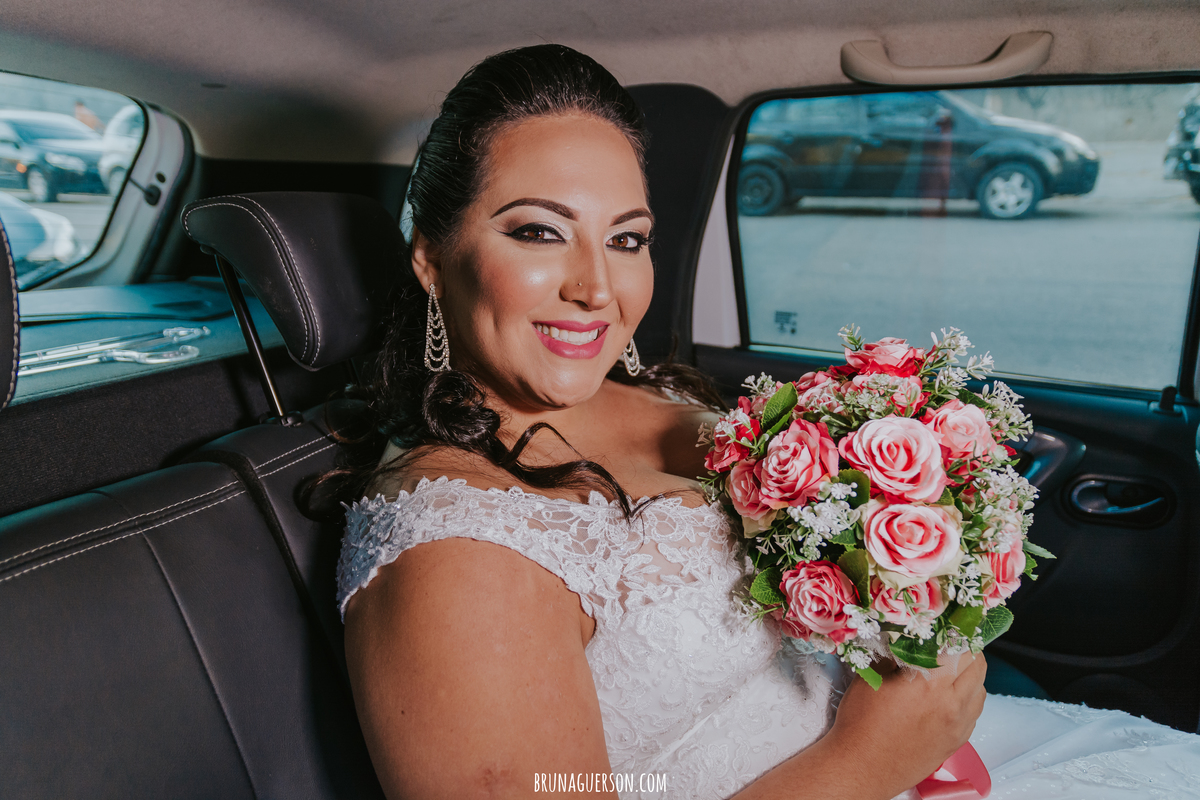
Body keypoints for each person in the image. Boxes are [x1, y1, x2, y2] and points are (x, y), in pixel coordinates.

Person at [336, 44, 1200, 799]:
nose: (597, 288)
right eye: (537, 232)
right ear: (433, 257)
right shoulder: (456, 548)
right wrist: (870, 758)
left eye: (627, 239)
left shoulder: (662, 397)